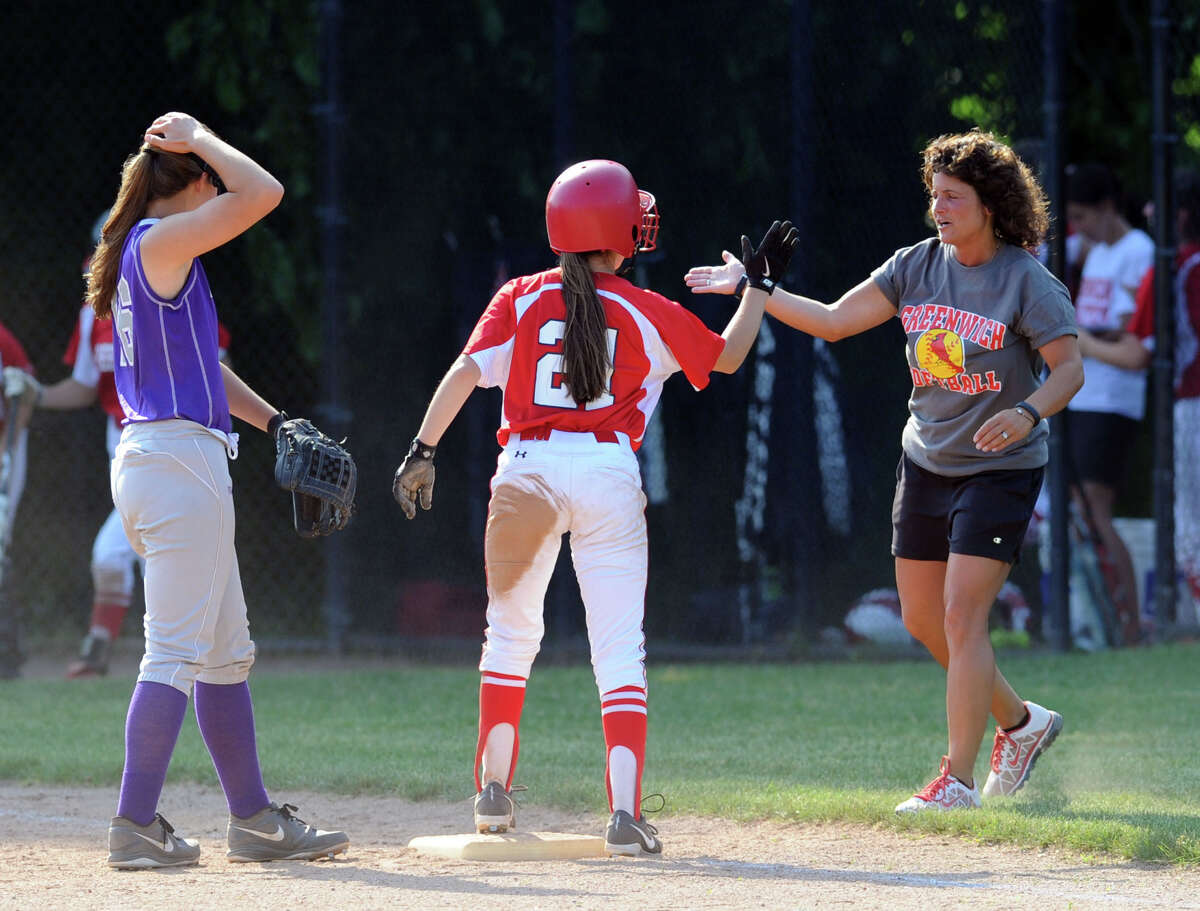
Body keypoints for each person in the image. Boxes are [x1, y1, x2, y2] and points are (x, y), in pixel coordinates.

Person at [392, 159, 787, 855]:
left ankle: (492, 794)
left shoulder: (518, 296)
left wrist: (422, 449)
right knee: (619, 648)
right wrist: (757, 288)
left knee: (509, 637)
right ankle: (625, 815)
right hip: (607, 472)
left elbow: (463, 372)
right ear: (620, 232)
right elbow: (727, 357)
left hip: (526, 473)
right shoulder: (642, 307)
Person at [686, 129, 1083, 812]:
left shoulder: (1026, 281)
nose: (939, 209)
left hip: (1000, 467)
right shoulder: (916, 264)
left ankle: (956, 782)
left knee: (962, 615)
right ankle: (1022, 725)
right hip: (926, 459)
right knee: (925, 619)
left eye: (953, 198)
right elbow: (834, 320)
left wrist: (1027, 413)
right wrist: (758, 287)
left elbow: (1069, 369)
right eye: (936, 196)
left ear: (990, 205)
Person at [82, 112, 348, 868]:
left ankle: (254, 821)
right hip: (180, 466)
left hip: (164, 460)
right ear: (197, 181)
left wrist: (275, 420)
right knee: (171, 651)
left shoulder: (150, 253)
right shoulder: (160, 243)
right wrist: (200, 137)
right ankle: (134, 824)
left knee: (226, 653)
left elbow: (204, 365)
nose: (217, 188)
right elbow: (264, 193)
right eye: (209, 178)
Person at [10, 217, 233, 678]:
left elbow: (217, 373)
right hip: (128, 452)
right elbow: (83, 386)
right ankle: (169, 657)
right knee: (127, 556)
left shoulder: (173, 293)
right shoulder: (95, 311)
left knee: (140, 557)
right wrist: (36, 393)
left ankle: (181, 658)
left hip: (177, 446)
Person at [1077, 170, 1200, 615]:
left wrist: (1079, 340)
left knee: (1190, 529)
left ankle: (1152, 620)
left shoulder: (1172, 266)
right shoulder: (1167, 264)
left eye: (1159, 205)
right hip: (1183, 403)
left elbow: (1136, 351)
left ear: (1180, 215)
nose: (1148, 211)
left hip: (1189, 404)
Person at [1064, 162, 1155, 642]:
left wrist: (1083, 340)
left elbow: (1129, 334)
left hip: (1113, 399)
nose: (1077, 228)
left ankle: (1131, 623)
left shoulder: (1138, 251)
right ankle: (1102, 618)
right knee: (1081, 511)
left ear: (1107, 207)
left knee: (1097, 509)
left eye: (1083, 216)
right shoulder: (1094, 250)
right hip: (1083, 394)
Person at [0, 324, 37, 679]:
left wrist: (5, 450)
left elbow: (25, 392)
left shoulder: (3, 340)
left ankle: (7, 651)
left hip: (4, 446)